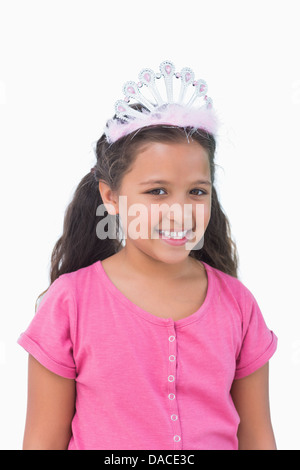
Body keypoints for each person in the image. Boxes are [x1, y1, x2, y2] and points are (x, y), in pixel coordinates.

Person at [18, 60, 277, 450]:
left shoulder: (238, 305)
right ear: (111, 197)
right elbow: (42, 441)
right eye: (157, 191)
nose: (181, 211)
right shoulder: (70, 303)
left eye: (197, 191)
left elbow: (258, 437)